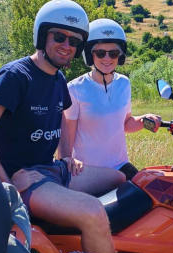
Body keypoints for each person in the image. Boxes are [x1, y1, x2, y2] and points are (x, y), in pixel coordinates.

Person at [0, 0, 126, 253]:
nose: (67, 46)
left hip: (50, 171)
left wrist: (67, 156)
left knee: (120, 178)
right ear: (42, 36)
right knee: (93, 213)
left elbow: (64, 116)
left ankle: (95, 250)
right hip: (24, 179)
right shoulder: (16, 76)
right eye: (59, 37)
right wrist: (7, 186)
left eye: (74, 41)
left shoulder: (58, 79)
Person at [60, 18, 162, 181]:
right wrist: (66, 163)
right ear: (90, 55)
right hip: (89, 171)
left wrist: (144, 120)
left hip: (120, 166)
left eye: (113, 53)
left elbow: (125, 124)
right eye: (100, 53)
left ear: (120, 56)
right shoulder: (74, 89)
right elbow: (66, 138)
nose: (107, 58)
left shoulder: (124, 83)